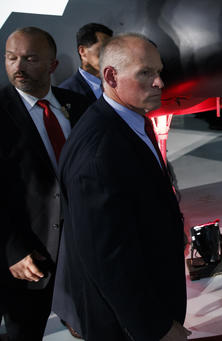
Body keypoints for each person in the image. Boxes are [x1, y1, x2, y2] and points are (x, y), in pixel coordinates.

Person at [57, 33, 189, 340]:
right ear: (111, 76)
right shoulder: (99, 153)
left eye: (159, 72)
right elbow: (108, 259)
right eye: (145, 73)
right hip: (128, 326)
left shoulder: (126, 122)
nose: (159, 83)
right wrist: (156, 328)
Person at [0, 26, 88, 340]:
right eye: (11, 58)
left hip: (79, 252)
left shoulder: (80, 107)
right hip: (25, 260)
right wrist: (13, 251)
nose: (18, 67)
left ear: (53, 65)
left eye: (30, 58)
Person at [59, 23, 112, 105]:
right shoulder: (66, 91)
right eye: (103, 48)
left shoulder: (118, 83)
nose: (110, 54)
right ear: (82, 51)